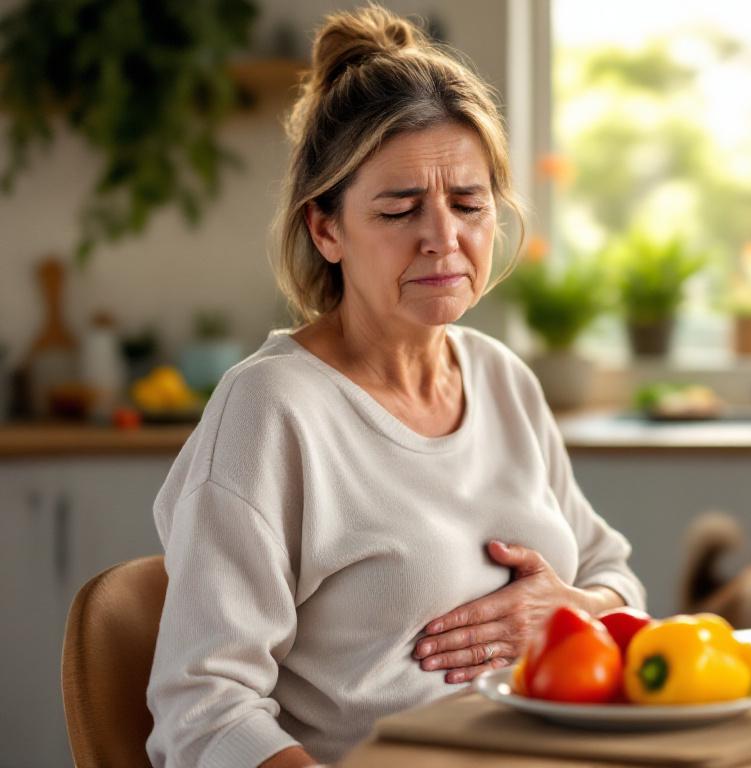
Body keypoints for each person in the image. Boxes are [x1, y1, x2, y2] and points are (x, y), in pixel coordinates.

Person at [145, 7, 645, 767]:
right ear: (326, 230)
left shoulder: (502, 379)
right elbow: (203, 711)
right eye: (400, 208)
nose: (444, 238)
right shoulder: (271, 411)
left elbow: (617, 579)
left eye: (469, 205)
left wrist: (571, 608)